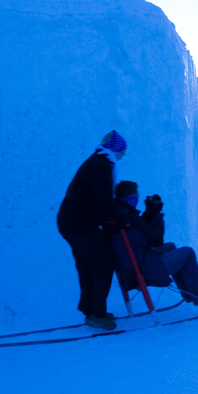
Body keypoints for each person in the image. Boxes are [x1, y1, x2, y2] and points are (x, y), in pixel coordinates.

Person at [57, 130, 129, 330]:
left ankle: (90, 309)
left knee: (87, 265)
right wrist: (121, 220)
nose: (122, 156)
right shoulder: (102, 165)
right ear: (115, 149)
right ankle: (96, 315)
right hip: (79, 225)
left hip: (71, 223)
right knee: (104, 264)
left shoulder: (97, 160)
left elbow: (99, 198)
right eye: (122, 152)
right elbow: (104, 198)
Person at [108, 181, 198, 306]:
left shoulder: (119, 215)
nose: (138, 199)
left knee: (171, 247)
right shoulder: (130, 219)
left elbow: (141, 233)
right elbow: (156, 240)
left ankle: (190, 291)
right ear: (131, 198)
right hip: (143, 270)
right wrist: (156, 213)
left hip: (131, 267)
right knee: (188, 252)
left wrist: (149, 212)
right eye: (137, 196)